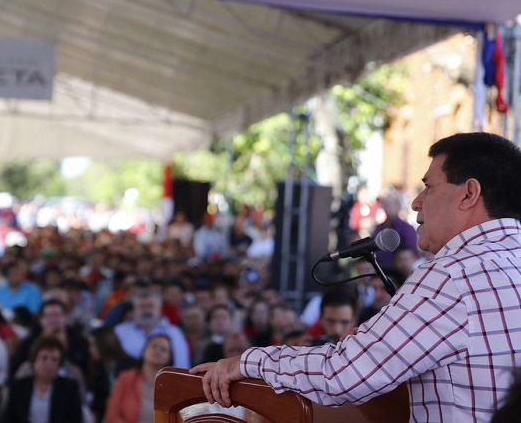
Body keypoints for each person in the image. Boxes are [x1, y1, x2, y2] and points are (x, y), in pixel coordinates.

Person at [190, 132, 521, 422]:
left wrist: (247, 363)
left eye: (428, 188)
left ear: (469, 194)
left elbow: (344, 374)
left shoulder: (451, 276)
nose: (416, 203)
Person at [3, 337, 82, 423]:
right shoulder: (19, 387)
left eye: (54, 360)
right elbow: (9, 418)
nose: (49, 364)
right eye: (44, 358)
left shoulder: (70, 389)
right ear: (34, 361)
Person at [105, 334, 174, 423]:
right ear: (144, 350)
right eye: (154, 346)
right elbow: (112, 416)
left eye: (163, 349)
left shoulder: (172, 387)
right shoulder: (125, 378)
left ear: (169, 357)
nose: (158, 351)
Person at [114, 289, 190, 368]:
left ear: (159, 308)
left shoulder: (174, 333)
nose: (146, 310)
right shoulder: (120, 331)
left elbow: (181, 364)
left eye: (150, 306)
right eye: (141, 306)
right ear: (134, 310)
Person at [372, 194, 419, 267]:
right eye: (386, 205)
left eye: (392, 205)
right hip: (381, 269)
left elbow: (412, 252)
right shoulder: (378, 229)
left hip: (402, 270)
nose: (389, 208)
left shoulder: (406, 228)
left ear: (398, 206)